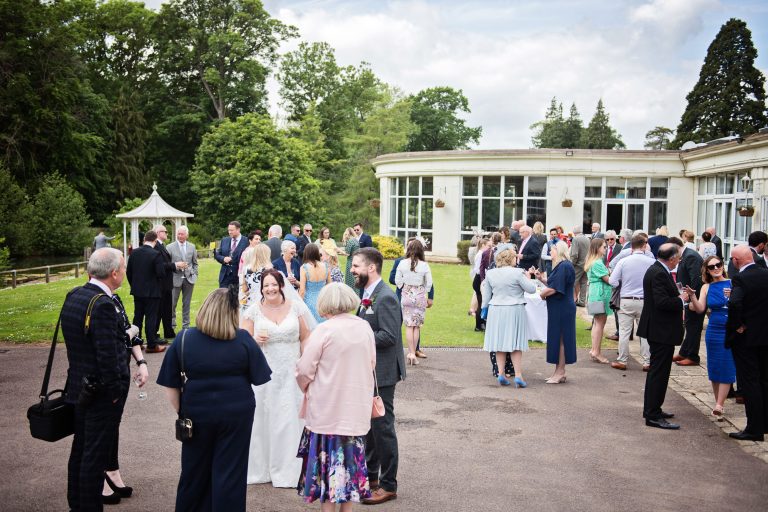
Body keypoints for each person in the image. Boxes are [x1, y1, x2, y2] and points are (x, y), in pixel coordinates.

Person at [157, 287, 272, 511]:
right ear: (232, 313)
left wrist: (183, 410)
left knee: (193, 471)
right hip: (236, 411)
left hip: (197, 410)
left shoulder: (185, 338)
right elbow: (260, 378)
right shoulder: (243, 340)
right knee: (230, 472)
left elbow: (171, 385)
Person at [62, 248, 144, 510]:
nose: (124, 272)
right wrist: (116, 392)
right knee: (93, 459)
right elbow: (108, 357)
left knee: (80, 452)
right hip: (99, 394)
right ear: (115, 273)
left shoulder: (75, 295)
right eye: (123, 267)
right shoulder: (103, 305)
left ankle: (77, 504)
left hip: (79, 387)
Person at [295, 282, 376, 509]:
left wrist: (305, 387)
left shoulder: (324, 330)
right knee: (350, 472)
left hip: (326, 410)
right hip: (354, 409)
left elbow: (304, 369)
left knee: (327, 477)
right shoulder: (364, 328)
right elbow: (371, 363)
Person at [240, 269, 315, 487]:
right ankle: (261, 469)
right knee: (264, 418)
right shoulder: (254, 310)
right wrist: (254, 339)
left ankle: (290, 470)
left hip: (292, 371)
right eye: (266, 286)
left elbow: (306, 336)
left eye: (274, 285)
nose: (270, 289)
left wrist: (304, 362)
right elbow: (243, 341)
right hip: (265, 372)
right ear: (261, 289)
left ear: (282, 285)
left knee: (290, 418)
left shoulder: (296, 306)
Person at [350, 248, 405, 505]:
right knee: (369, 428)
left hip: (382, 373)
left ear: (371, 268)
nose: (352, 270)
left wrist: (358, 335)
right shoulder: (367, 294)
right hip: (368, 371)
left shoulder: (386, 297)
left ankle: (388, 485)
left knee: (383, 429)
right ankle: (370, 478)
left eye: (356, 266)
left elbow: (390, 337)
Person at [638, 243, 688, 430]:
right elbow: (661, 302)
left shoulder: (658, 269)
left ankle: (653, 409)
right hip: (660, 330)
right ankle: (652, 414)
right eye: (678, 258)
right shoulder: (658, 272)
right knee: (658, 372)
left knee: (659, 372)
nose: (679, 261)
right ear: (672, 258)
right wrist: (680, 299)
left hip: (660, 329)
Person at [724, 245, 768, 441]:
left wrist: (738, 325)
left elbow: (734, 303)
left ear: (735, 261)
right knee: (764, 380)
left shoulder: (740, 278)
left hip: (747, 338)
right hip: (765, 336)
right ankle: (765, 423)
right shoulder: (766, 273)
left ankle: (754, 428)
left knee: (749, 381)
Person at [686, 255, 735, 418]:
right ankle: (717, 403)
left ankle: (720, 405)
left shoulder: (732, 283)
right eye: (712, 267)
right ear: (706, 270)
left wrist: (732, 297)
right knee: (714, 367)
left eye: (718, 265)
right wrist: (692, 295)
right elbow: (700, 308)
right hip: (713, 330)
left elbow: (742, 305)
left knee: (727, 365)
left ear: (723, 266)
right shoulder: (706, 287)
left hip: (729, 329)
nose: (716, 268)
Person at [481, 249, 536, 387]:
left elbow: (486, 296)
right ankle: (518, 375)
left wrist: (484, 309)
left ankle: (500, 373)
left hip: (496, 309)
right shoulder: (518, 272)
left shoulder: (491, 273)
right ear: (511, 259)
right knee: (515, 343)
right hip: (514, 309)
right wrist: (528, 278)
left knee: (499, 342)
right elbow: (531, 289)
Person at [609, 234, 655, 371]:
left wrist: (622, 283)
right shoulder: (651, 261)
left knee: (624, 332)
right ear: (644, 246)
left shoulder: (624, 261)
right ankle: (647, 361)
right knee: (645, 333)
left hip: (626, 299)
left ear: (631, 246)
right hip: (644, 301)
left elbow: (612, 281)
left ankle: (622, 360)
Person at [535, 241, 576, 384]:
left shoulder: (564, 266)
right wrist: (542, 280)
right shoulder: (561, 266)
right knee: (558, 339)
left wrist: (541, 294)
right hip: (559, 307)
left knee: (561, 340)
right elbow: (555, 284)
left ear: (559, 251)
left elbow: (555, 289)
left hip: (562, 308)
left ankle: (560, 372)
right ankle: (558, 372)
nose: (550, 253)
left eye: (552, 251)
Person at [126, 230, 166, 353]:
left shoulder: (134, 253)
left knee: (137, 317)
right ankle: (152, 345)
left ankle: (136, 342)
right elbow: (161, 273)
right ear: (155, 241)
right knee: (151, 318)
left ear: (144, 239)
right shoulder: (156, 254)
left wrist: (134, 285)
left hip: (137, 291)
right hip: (152, 292)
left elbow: (129, 272)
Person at [395, 239, 433, 366]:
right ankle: (413, 352)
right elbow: (429, 282)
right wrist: (424, 290)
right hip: (419, 296)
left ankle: (410, 353)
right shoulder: (424, 265)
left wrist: (403, 287)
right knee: (416, 326)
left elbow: (397, 279)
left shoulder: (402, 263)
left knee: (408, 326)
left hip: (406, 294)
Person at [673, 236, 705, 367]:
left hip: (695, 298)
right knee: (689, 324)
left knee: (694, 327)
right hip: (688, 296)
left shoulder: (691, 256)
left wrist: (693, 299)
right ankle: (684, 351)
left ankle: (692, 356)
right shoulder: (686, 255)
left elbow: (696, 280)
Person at [584, 238, 611, 364]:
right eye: (604, 247)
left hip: (595, 293)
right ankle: (596, 351)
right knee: (600, 323)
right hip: (600, 294)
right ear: (597, 248)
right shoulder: (598, 263)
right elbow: (608, 280)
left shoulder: (593, 261)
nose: (606, 249)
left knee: (597, 323)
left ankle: (594, 350)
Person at [166, 225, 197, 332]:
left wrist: (194, 273)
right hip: (175, 279)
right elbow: (167, 264)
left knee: (187, 304)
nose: (180, 236)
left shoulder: (192, 247)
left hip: (189, 279)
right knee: (172, 304)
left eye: (182, 234)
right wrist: (176, 265)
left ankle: (186, 326)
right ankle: (172, 326)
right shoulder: (169, 247)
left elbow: (195, 263)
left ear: (187, 235)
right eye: (178, 234)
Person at [152, 224, 178, 340]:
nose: (167, 233)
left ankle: (168, 331)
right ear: (158, 233)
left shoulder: (162, 245)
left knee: (167, 308)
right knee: (160, 309)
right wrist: (175, 265)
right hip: (161, 283)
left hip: (167, 283)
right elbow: (159, 265)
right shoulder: (155, 246)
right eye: (165, 231)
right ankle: (155, 333)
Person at [300, 243, 332, 323]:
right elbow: (330, 286)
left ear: (306, 253)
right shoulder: (325, 266)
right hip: (322, 300)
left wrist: (298, 305)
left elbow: (302, 291)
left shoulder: (304, 268)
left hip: (309, 301)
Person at [214, 221, 249, 288]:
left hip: (239, 277)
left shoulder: (246, 241)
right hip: (224, 277)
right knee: (223, 297)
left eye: (232, 230)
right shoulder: (224, 240)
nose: (229, 232)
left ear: (238, 229)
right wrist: (223, 259)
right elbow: (217, 255)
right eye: (229, 230)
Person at [240, 244, 273, 310]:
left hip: (251, 302)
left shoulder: (246, 268)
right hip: (266, 302)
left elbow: (244, 288)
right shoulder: (269, 269)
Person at [569, 226, 590, 307]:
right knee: (584, 283)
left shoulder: (575, 239)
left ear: (574, 232)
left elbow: (574, 254)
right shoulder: (587, 238)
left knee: (572, 282)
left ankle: (571, 299)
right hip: (586, 264)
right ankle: (582, 301)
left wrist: (571, 264)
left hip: (577, 264)